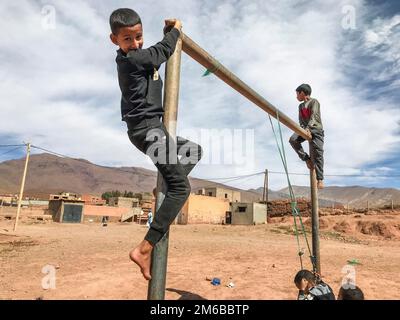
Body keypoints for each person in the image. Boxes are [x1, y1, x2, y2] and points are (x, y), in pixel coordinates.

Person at [109, 8, 202, 280]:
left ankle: (163, 187)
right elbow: (161, 52)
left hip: (154, 129)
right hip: (147, 130)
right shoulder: (131, 60)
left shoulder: (141, 58)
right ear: (115, 40)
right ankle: (144, 248)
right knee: (182, 187)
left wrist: (166, 35)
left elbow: (158, 55)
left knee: (194, 151)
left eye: (138, 36)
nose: (135, 43)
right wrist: (175, 31)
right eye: (128, 39)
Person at [289, 84, 324, 189]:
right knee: (293, 140)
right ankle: (306, 159)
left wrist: (308, 128)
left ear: (302, 93)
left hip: (316, 129)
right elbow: (301, 120)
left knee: (318, 152)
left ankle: (320, 179)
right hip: (305, 129)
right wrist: (303, 129)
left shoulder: (314, 102)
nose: (296, 97)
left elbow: (314, 116)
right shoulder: (300, 106)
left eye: (297, 94)